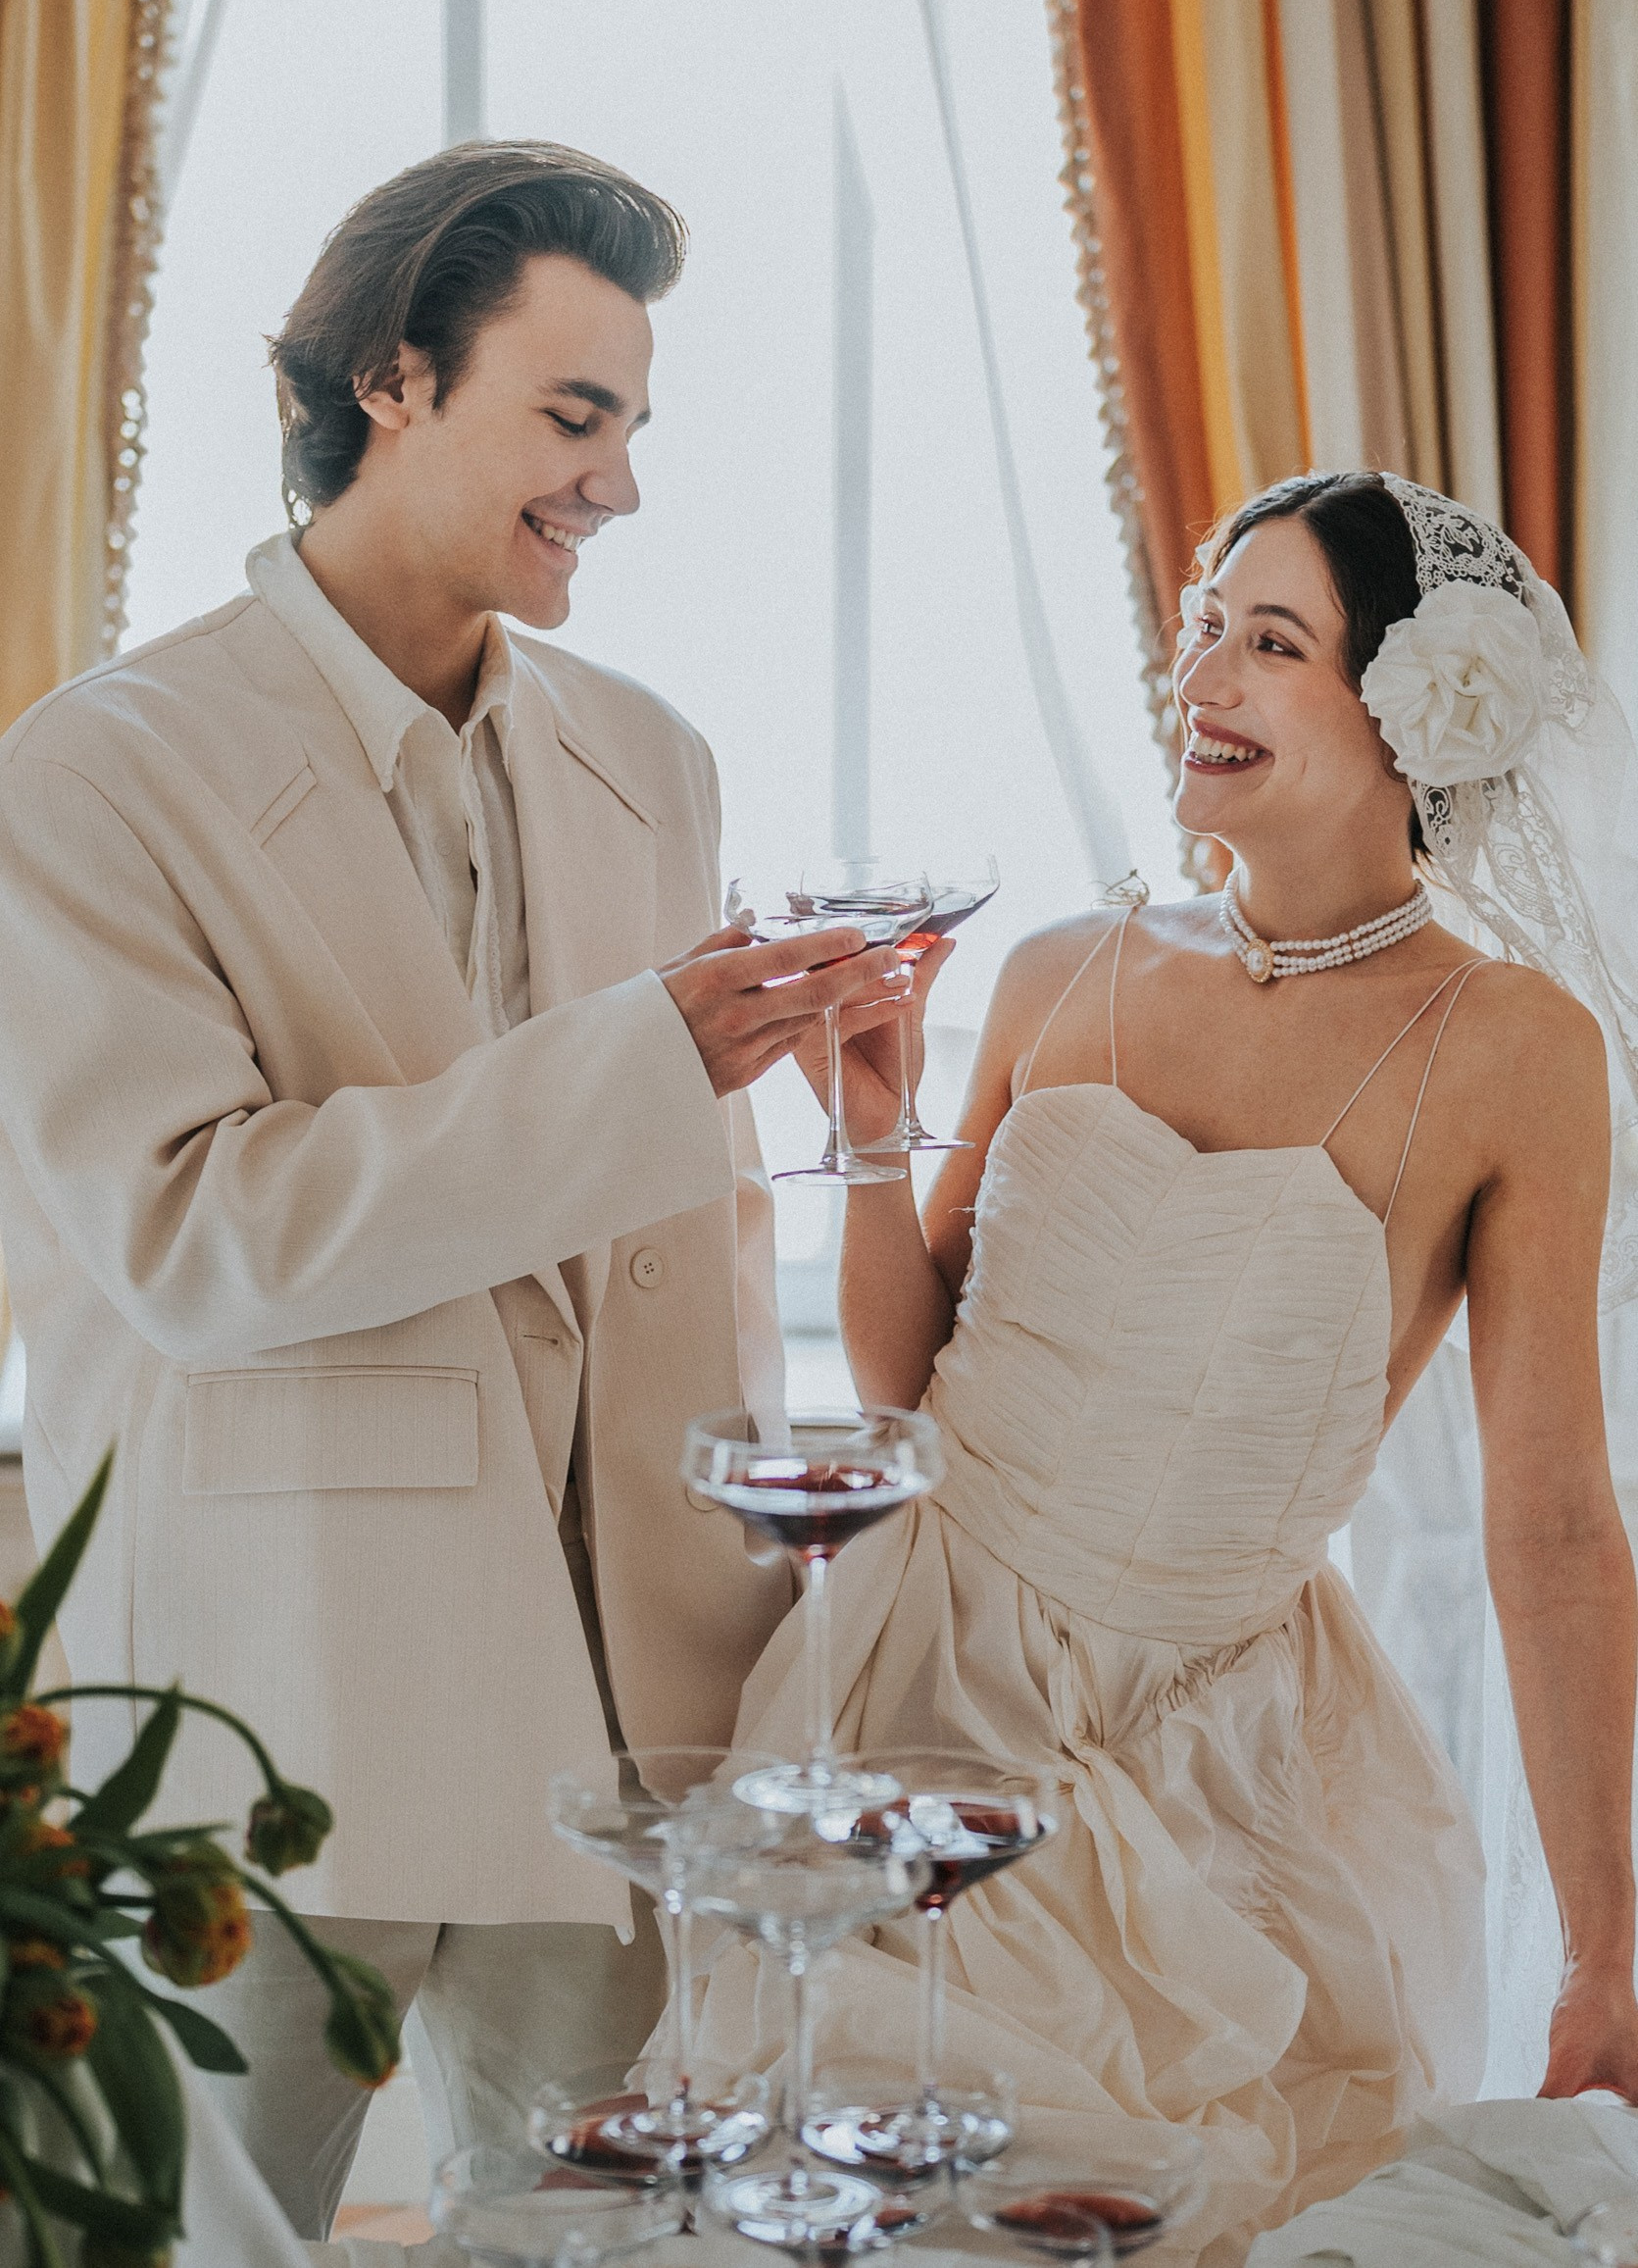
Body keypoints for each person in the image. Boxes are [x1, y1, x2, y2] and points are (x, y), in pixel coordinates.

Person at [0, 141, 908, 2239]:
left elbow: (693, 1247)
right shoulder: (96, 773)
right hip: (281, 1693)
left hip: (631, 1707)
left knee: (613, 2231)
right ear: (394, 378)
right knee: (197, 2234)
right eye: (575, 416)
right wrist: (651, 1056)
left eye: (633, 427)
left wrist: (752, 1601)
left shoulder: (654, 759)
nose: (618, 484)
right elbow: (198, 1237)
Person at [692, 473, 1638, 2262]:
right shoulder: (1064, 966)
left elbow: (1557, 1526)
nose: (1199, 675)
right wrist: (875, 1139)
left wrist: (1603, 1947)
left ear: (1414, 712)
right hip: (911, 1679)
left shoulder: (1515, 1050)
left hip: (1218, 1763)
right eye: (1204, 625)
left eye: (1269, 642)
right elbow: (911, 1382)